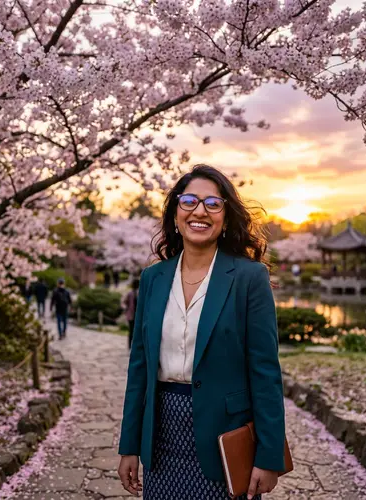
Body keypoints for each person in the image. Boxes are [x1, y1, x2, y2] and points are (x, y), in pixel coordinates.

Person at [118, 165, 286, 500]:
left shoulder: (248, 278)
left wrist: (269, 457)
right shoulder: (153, 278)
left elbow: (265, 372)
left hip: (223, 436)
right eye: (189, 201)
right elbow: (139, 368)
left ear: (225, 216)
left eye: (213, 204)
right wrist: (130, 445)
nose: (199, 211)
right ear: (176, 213)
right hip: (161, 434)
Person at [122, 279, 140, 350]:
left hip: (138, 315)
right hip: (131, 315)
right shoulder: (130, 293)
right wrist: (125, 308)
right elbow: (124, 302)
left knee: (137, 332)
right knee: (131, 331)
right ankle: (130, 346)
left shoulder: (141, 293)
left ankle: (136, 346)